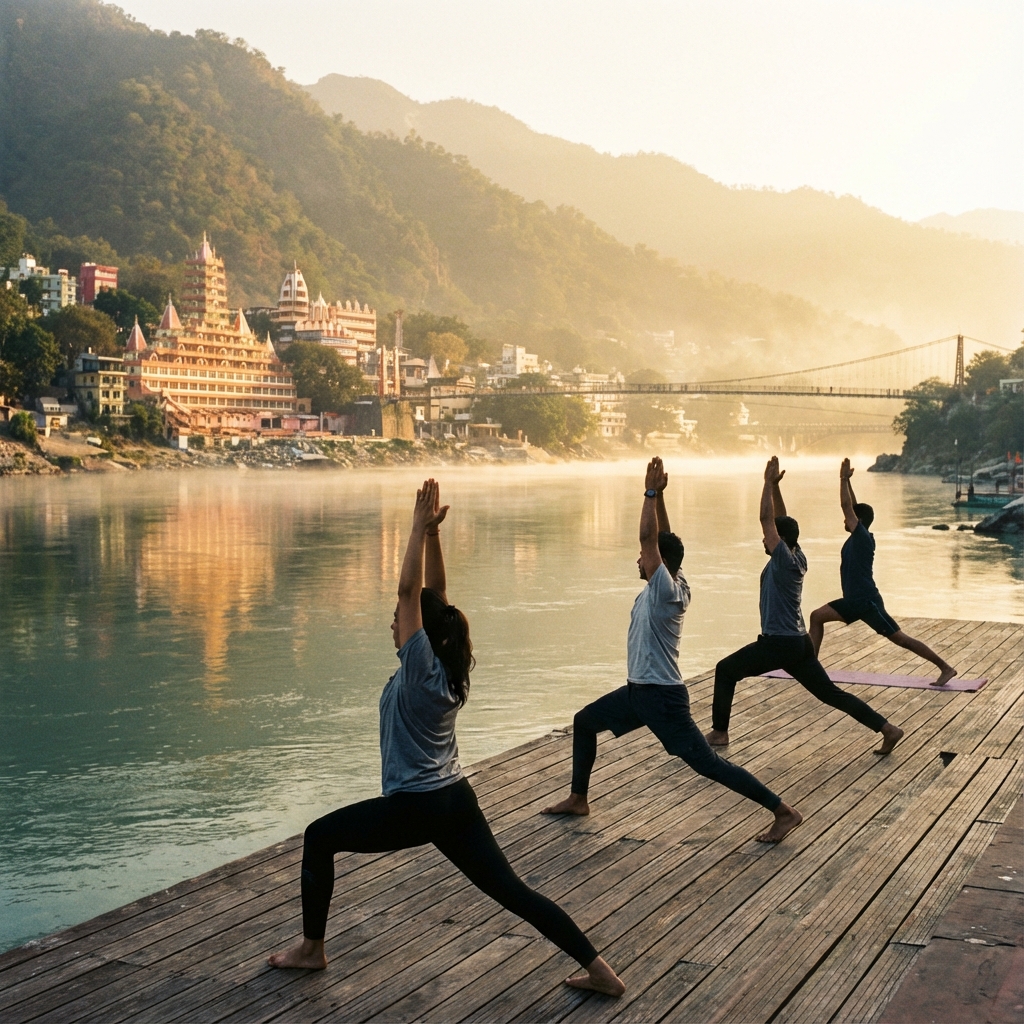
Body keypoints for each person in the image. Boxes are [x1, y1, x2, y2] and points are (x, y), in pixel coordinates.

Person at [269, 479, 625, 997]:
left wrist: (414, 529)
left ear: (419, 635)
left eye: (398, 622)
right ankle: (600, 971)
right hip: (456, 800)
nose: (393, 625)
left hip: (418, 805)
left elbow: (410, 592)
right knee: (515, 892)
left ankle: (312, 949)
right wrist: (434, 536)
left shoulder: (417, 669)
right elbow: (434, 599)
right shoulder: (445, 663)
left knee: (319, 837)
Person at [543, 457, 802, 844]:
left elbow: (650, 540)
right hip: (639, 692)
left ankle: (782, 811)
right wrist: (662, 497)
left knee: (709, 765)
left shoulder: (663, 589)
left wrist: (647, 493)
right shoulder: (674, 579)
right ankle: (578, 798)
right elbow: (662, 538)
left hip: (661, 698)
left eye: (645, 559)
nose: (638, 560)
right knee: (585, 722)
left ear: (659, 564)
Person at [706, 457, 904, 755]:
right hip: (798, 644)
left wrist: (765, 483)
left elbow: (767, 520)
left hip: (779, 644)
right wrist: (775, 488)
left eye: (769, 537)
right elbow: (781, 519)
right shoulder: (796, 555)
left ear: (780, 540)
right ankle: (887, 728)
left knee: (725, 670)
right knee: (831, 694)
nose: (764, 539)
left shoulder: (784, 559)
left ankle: (720, 733)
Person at [809, 459, 957, 687]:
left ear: (857, 521)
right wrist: (848, 481)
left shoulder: (862, 538)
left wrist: (841, 480)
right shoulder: (860, 536)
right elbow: (854, 507)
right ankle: (811, 667)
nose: (845, 520)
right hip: (857, 600)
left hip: (865, 601)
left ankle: (945, 668)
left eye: (850, 518)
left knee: (899, 638)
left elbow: (848, 508)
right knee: (817, 617)